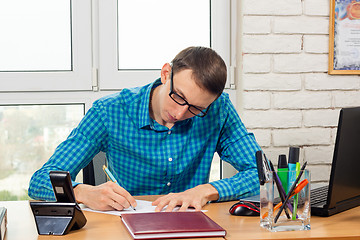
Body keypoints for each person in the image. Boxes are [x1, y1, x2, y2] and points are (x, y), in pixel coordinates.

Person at [28, 46, 261, 212]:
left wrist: (207, 190)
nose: (180, 114)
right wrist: (83, 193)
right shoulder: (109, 112)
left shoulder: (219, 110)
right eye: (178, 97)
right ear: (166, 73)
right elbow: (39, 181)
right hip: (124, 225)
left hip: (190, 227)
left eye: (196, 109)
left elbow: (263, 175)